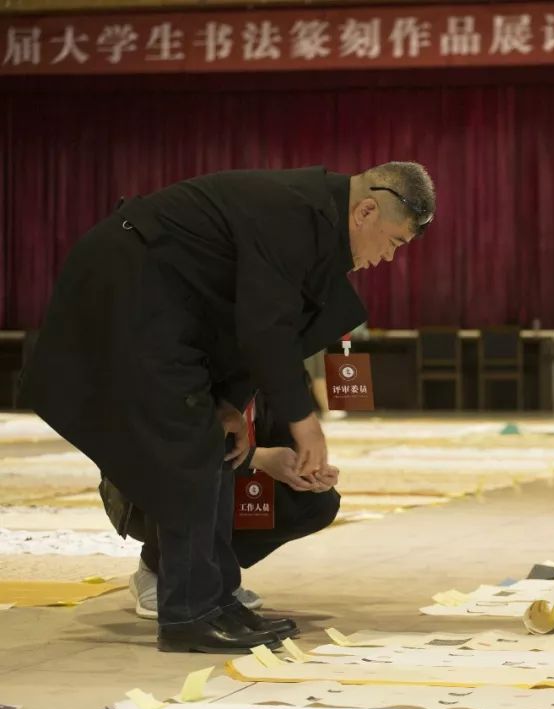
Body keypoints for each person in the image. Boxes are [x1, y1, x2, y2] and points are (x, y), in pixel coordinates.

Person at [20, 163, 435, 652]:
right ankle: (188, 614)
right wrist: (306, 425)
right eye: (393, 242)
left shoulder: (313, 221)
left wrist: (231, 405)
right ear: (366, 210)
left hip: (170, 313)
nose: (387, 257)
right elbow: (265, 328)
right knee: (190, 443)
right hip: (127, 292)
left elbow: (241, 324)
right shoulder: (295, 212)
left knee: (215, 441)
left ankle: (214, 598)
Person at [101, 376, 342, 620]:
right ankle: (155, 568)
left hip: (235, 481)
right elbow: (165, 445)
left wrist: (306, 473)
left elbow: (284, 444)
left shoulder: (276, 379)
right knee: (185, 479)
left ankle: (214, 569)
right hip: (144, 487)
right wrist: (256, 458)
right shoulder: (190, 368)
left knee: (317, 504)